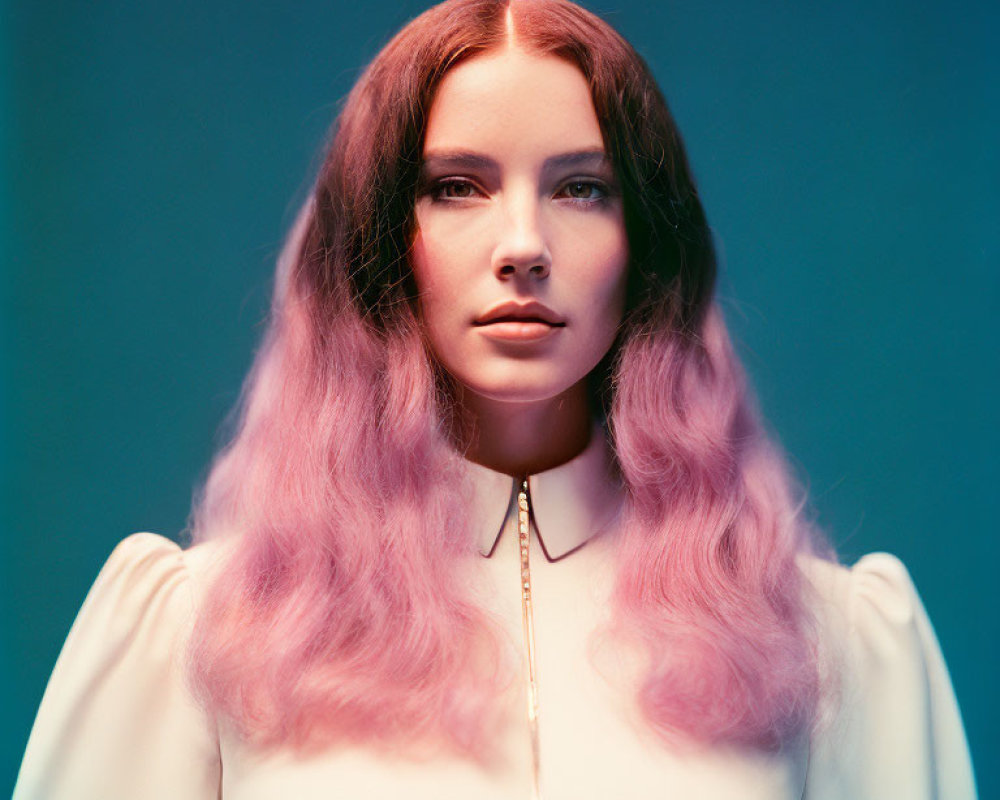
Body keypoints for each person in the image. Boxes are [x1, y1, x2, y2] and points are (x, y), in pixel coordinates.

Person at [14, 0, 977, 798]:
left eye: (584, 188)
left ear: (648, 243)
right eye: (457, 187)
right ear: (381, 241)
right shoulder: (204, 634)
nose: (523, 244)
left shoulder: (827, 646)